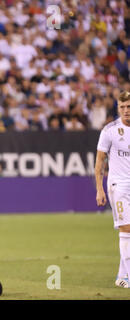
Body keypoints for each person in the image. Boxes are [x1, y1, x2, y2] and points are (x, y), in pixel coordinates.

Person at [95, 90, 130, 289]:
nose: (126, 111)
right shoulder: (110, 130)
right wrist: (99, 189)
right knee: (126, 228)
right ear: (118, 108)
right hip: (119, 185)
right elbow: (100, 161)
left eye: (129, 107)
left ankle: (122, 277)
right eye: (122, 107)